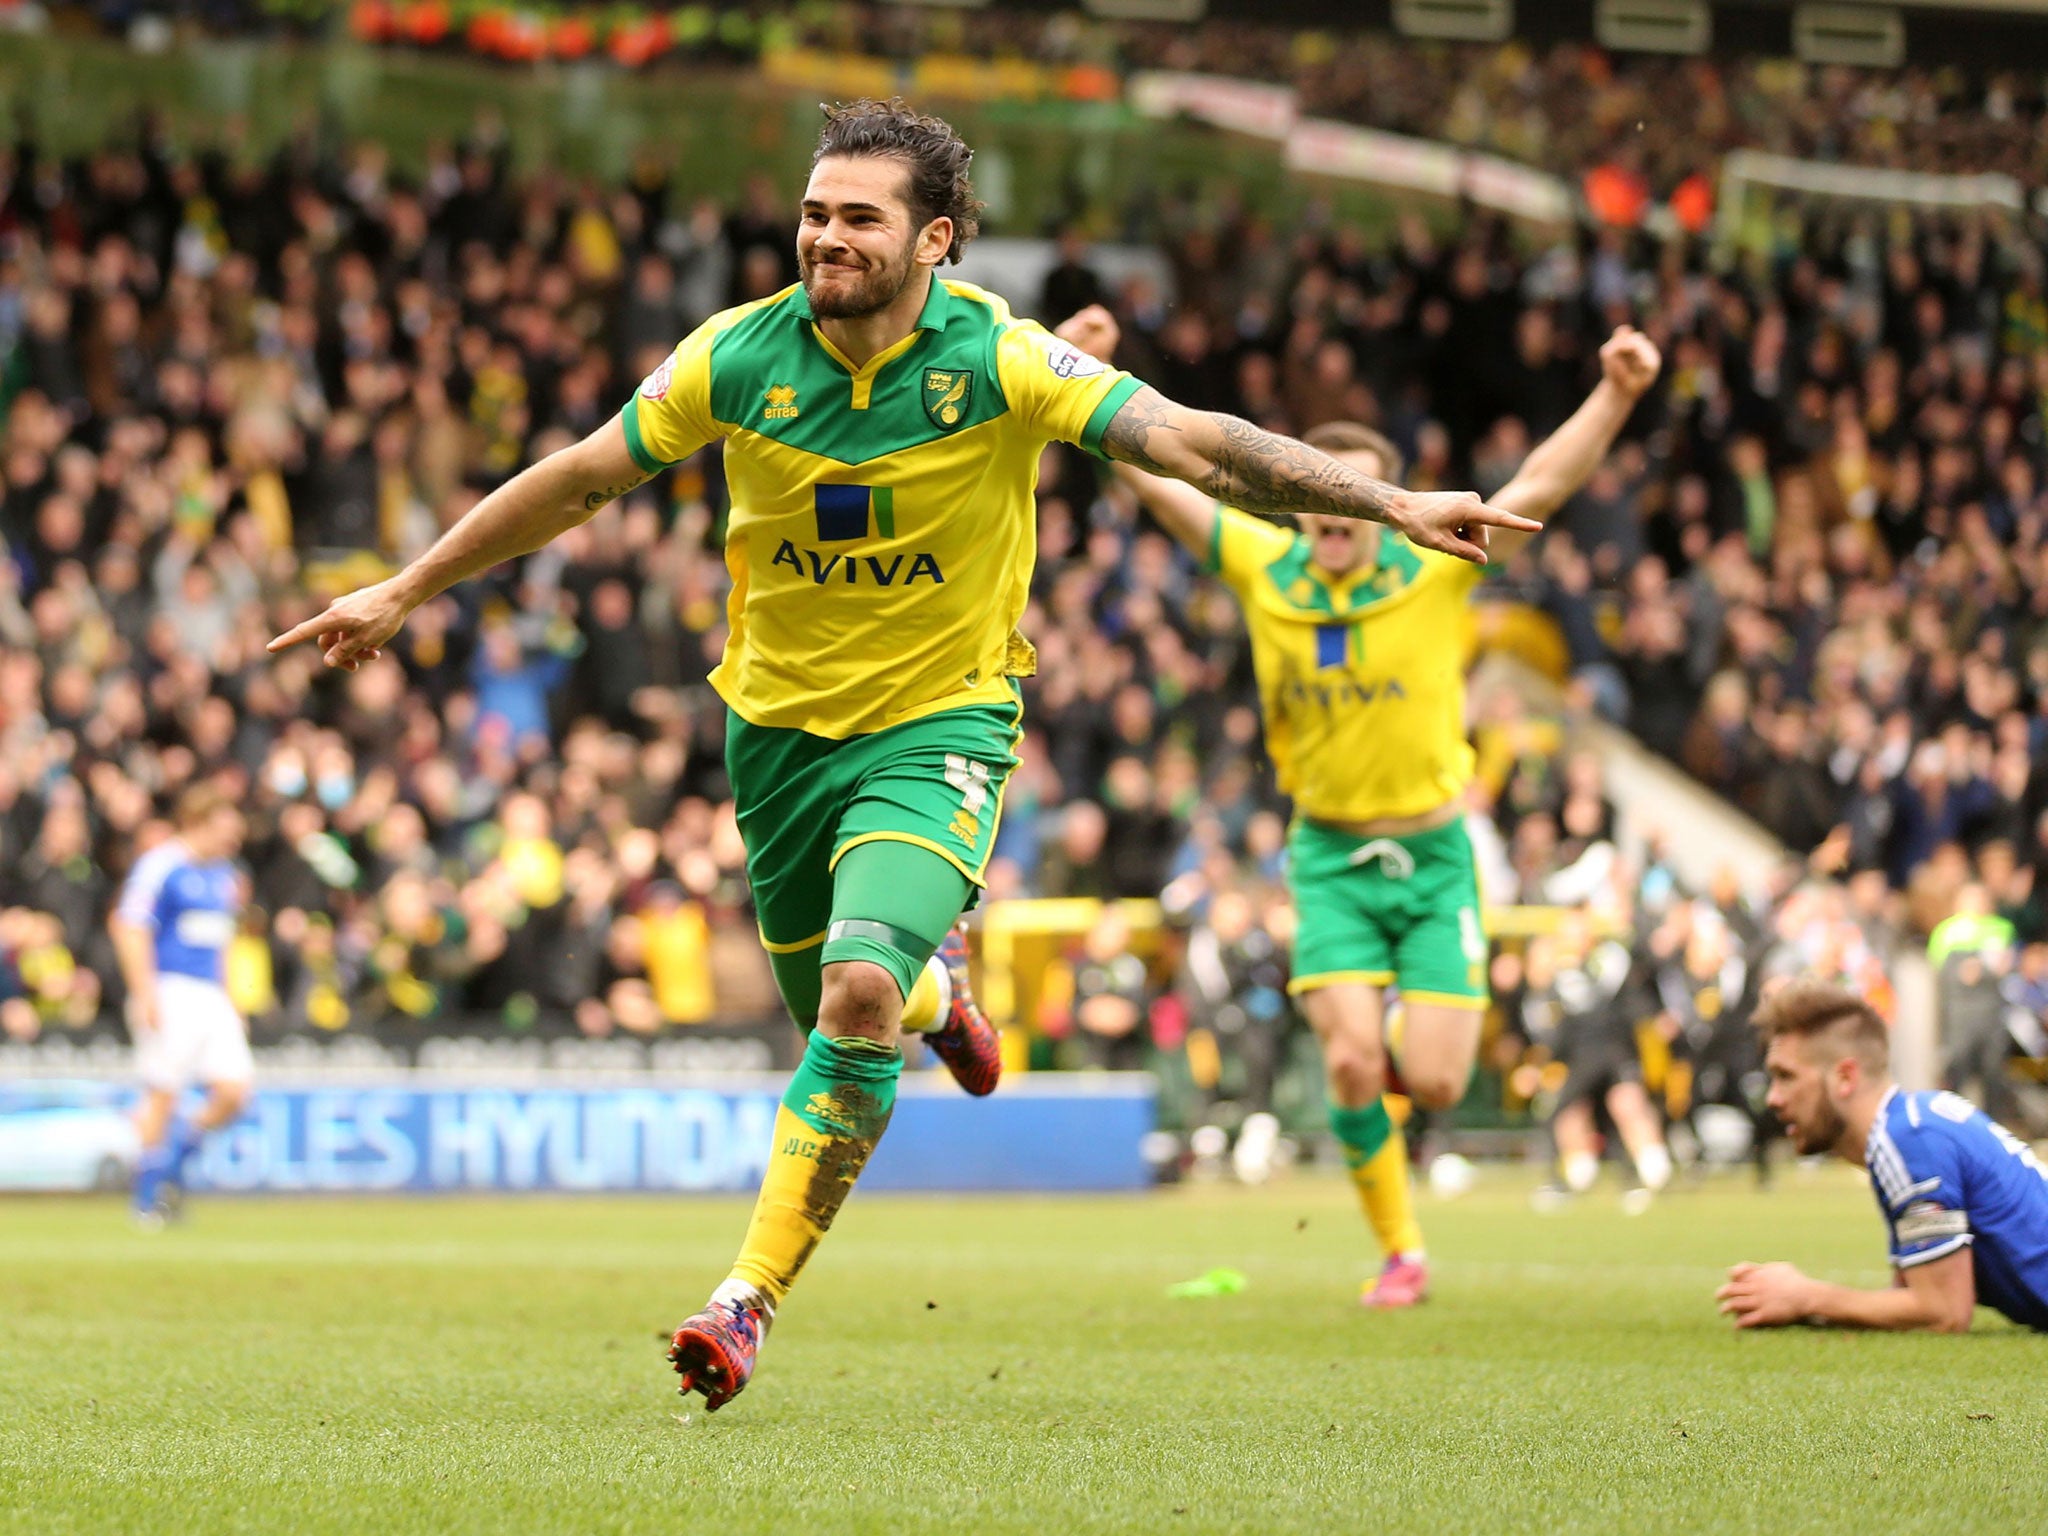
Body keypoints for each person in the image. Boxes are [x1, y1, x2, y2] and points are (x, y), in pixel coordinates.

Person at [270, 100, 1531, 1408]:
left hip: (940, 727)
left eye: (858, 217)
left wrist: (1386, 502)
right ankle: (943, 1000)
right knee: (851, 1000)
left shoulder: (1001, 356)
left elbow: (1197, 442)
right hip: (773, 741)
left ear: (936, 239)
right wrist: (405, 589)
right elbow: (585, 476)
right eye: (813, 213)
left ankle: (742, 1301)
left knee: (854, 989)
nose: (826, 236)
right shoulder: (735, 356)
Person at [1060, 306, 1659, 1304]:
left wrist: (1618, 391)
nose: (1329, 519)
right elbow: (1157, 478)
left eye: (1349, 500)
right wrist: (1083, 372)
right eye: (1312, 498)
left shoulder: (1430, 566)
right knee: (1346, 1062)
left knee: (1427, 1081)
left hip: (1431, 861)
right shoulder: (1264, 569)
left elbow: (1537, 490)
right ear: (1297, 503)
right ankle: (1400, 1252)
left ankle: (1396, 1077)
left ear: (1379, 503)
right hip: (1328, 858)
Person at [1716, 978, 2048, 1333]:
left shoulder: (1908, 1140)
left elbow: (1945, 1311)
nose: (1773, 1098)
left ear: (1845, 1077)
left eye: (1786, 1077)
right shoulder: (1911, 1124)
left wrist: (1806, 1296)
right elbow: (1907, 1295)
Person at [107, 784, 253, 1227]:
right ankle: (147, 1203)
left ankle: (170, 1167)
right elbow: (129, 925)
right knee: (163, 1093)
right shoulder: (161, 865)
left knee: (235, 1091)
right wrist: (145, 991)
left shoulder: (224, 874)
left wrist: (231, 997)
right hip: (170, 989)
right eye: (224, 830)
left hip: (210, 994)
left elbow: (221, 941)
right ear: (198, 822)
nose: (231, 841)